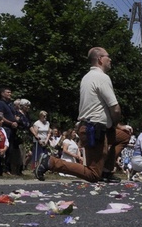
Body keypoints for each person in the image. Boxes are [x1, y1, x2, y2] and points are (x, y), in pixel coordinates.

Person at [35, 47, 132, 183]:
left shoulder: (87, 77)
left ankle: (106, 171)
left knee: (124, 136)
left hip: (92, 126)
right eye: (107, 56)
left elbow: (99, 108)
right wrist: (116, 124)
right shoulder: (102, 77)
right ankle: (51, 162)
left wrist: (118, 126)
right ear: (100, 59)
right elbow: (115, 108)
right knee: (93, 174)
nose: (110, 59)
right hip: (95, 130)